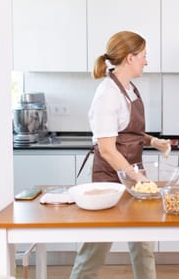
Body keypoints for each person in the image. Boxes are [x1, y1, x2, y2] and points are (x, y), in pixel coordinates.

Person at [70, 30, 171, 279]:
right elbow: (107, 148)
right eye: (144, 56)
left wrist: (153, 141)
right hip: (110, 179)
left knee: (143, 244)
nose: (146, 61)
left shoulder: (130, 88)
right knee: (96, 247)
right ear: (129, 58)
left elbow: (129, 130)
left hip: (133, 175)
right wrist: (136, 177)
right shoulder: (107, 94)